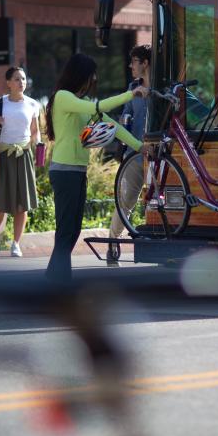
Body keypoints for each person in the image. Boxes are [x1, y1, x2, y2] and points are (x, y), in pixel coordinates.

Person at [44, 53, 149, 283]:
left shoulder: (82, 105)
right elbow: (100, 107)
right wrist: (131, 94)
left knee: (72, 231)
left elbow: (113, 126)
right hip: (64, 171)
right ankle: (58, 283)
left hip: (77, 171)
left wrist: (139, 147)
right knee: (65, 231)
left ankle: (54, 280)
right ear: (80, 75)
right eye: (92, 75)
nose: (94, 80)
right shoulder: (63, 97)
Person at [0, 66, 41, 257]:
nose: (21, 82)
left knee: (22, 204)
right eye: (17, 79)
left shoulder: (33, 104)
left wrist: (38, 144)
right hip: (3, 156)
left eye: (23, 79)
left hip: (23, 155)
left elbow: (34, 131)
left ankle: (16, 243)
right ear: (8, 83)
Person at [106, 45, 151, 266]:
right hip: (135, 153)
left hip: (161, 153)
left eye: (134, 61)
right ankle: (112, 243)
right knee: (126, 201)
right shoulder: (133, 88)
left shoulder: (166, 89)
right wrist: (121, 147)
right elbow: (126, 118)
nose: (130, 65)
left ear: (145, 63)